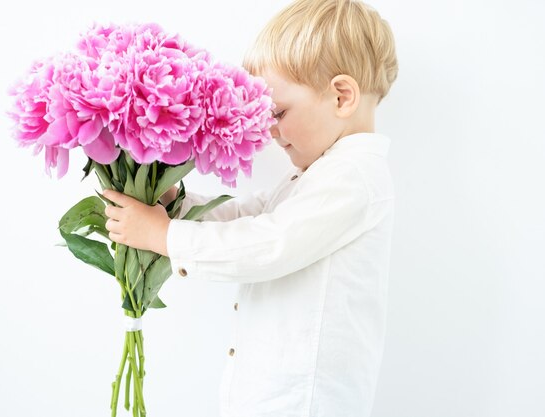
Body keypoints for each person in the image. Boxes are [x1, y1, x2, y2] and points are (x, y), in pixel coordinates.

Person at [102, 0, 399, 415]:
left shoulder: (352, 178)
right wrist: (178, 204)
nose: (270, 129)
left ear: (342, 97)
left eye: (278, 111)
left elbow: (269, 243)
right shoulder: (322, 175)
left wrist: (164, 235)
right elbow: (252, 215)